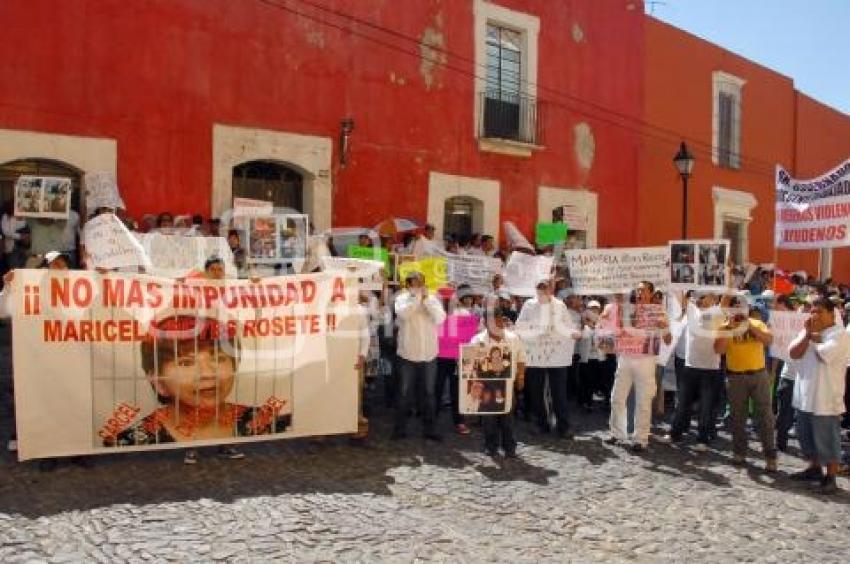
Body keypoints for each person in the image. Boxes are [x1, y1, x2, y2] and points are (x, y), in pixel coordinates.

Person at [107, 315, 290, 456]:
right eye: (186, 363)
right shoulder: (131, 443)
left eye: (218, 358)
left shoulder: (268, 423)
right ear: (157, 380)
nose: (208, 373)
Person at [787, 297, 850, 494]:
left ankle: (831, 476)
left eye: (819, 311)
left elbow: (823, 355)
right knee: (805, 435)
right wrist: (807, 335)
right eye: (812, 311)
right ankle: (813, 467)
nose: (815, 315)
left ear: (832, 314)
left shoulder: (840, 335)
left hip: (826, 397)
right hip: (804, 395)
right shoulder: (807, 332)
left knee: (827, 438)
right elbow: (793, 353)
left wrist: (814, 339)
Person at [606, 281, 672, 452]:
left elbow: (668, 340)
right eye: (638, 290)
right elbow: (615, 328)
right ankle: (616, 433)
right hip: (626, 357)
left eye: (643, 290)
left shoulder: (658, 311)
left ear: (651, 293)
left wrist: (664, 328)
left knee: (643, 400)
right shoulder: (627, 308)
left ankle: (640, 439)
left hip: (645, 360)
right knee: (616, 396)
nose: (640, 292)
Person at [714, 297, 777, 471]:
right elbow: (718, 350)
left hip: (758, 375)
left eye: (742, 307)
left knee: (765, 417)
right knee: (737, 417)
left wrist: (749, 326)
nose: (739, 311)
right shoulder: (724, 326)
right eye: (735, 308)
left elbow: (768, 341)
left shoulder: (757, 323)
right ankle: (739, 452)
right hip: (736, 377)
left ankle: (770, 456)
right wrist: (730, 329)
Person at [517, 279, 581, 440]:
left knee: (559, 392)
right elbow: (520, 325)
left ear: (551, 291)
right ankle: (541, 424)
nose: (542, 293)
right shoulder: (529, 305)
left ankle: (563, 426)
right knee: (536, 392)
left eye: (545, 290)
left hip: (556, 355)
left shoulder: (560, 305)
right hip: (535, 356)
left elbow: (567, 325)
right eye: (540, 290)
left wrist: (574, 333)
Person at [661, 292, 724, 451]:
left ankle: (702, 439)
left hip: (711, 368)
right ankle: (675, 433)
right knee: (682, 403)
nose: (701, 299)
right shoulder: (691, 309)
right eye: (700, 296)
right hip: (690, 366)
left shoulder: (717, 311)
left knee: (706, 406)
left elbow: (728, 294)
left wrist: (728, 275)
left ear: (713, 298)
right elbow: (679, 291)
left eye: (704, 296)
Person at [392, 271, 446, 440]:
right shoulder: (401, 299)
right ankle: (399, 429)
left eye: (421, 283)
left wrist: (427, 300)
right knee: (403, 393)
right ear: (408, 285)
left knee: (429, 394)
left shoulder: (432, 299)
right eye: (415, 283)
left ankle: (430, 429)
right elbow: (404, 314)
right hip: (408, 354)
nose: (419, 286)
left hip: (429, 354)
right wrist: (417, 299)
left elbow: (440, 318)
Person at [471, 307, 527, 457]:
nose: (498, 322)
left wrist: (520, 377)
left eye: (499, 319)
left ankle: (510, 446)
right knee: (489, 417)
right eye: (493, 320)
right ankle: (491, 446)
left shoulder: (513, 338)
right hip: (486, 385)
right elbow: (470, 364)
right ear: (486, 323)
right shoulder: (477, 340)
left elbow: (521, 359)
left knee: (507, 416)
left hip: (507, 384)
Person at [435, 284, 477, 435]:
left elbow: (471, 335)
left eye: (449, 299)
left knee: (456, 391)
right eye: (445, 300)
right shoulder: (437, 315)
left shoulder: (463, 313)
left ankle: (459, 421)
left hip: (456, 359)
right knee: (436, 389)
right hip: (439, 357)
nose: (448, 302)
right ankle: (432, 420)